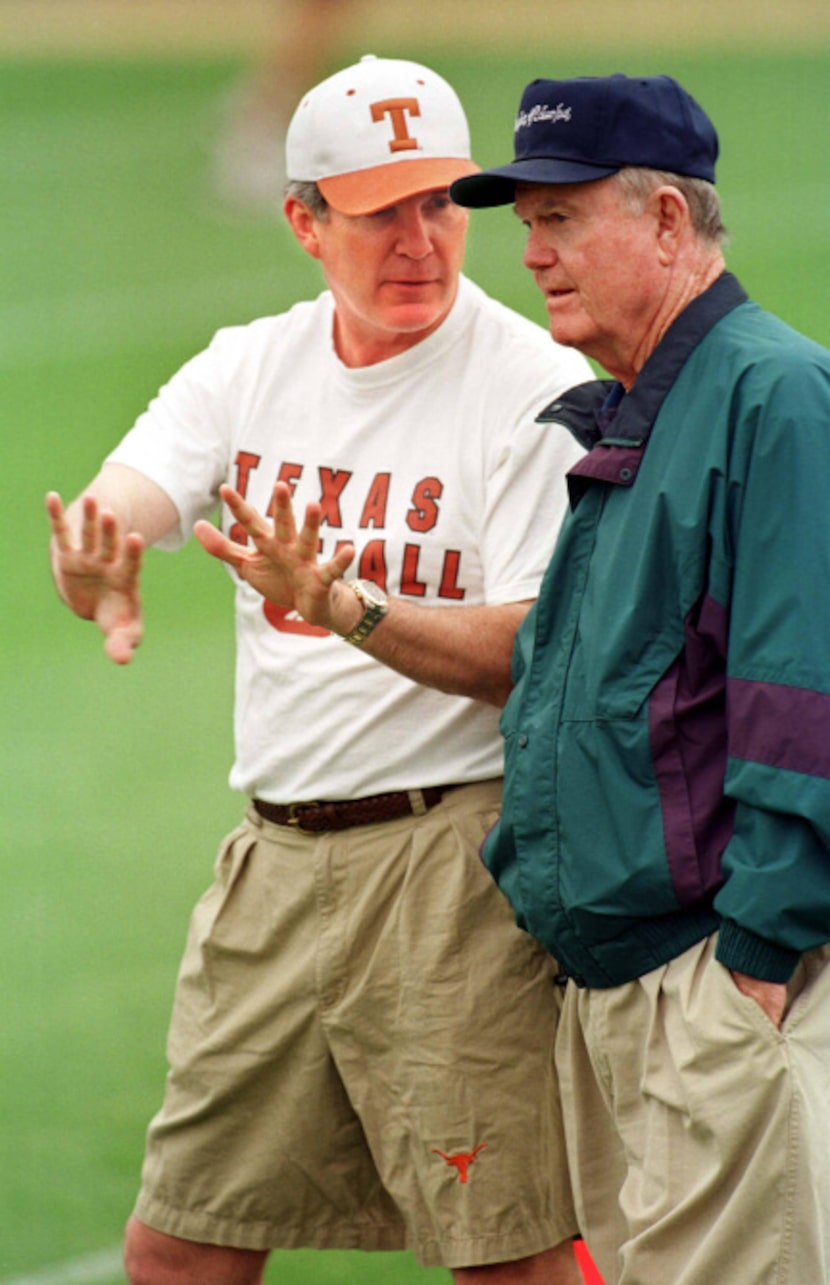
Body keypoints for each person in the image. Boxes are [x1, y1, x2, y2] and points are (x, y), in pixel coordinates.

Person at [45, 55, 593, 1285]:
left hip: (453, 868)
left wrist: (345, 605)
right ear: (303, 222)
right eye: (378, 210)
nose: (420, 239)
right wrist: (94, 560)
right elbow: (115, 512)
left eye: (443, 202)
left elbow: (528, 651)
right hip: (275, 869)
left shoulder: (535, 390)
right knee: (178, 1245)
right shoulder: (249, 365)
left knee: (508, 1252)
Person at [444, 73, 830, 1283]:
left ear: (667, 220)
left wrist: (754, 963)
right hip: (619, 985)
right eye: (526, 226)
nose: (531, 256)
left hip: (708, 980)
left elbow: (801, 695)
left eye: (560, 220)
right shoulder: (639, 403)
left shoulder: (773, 394)